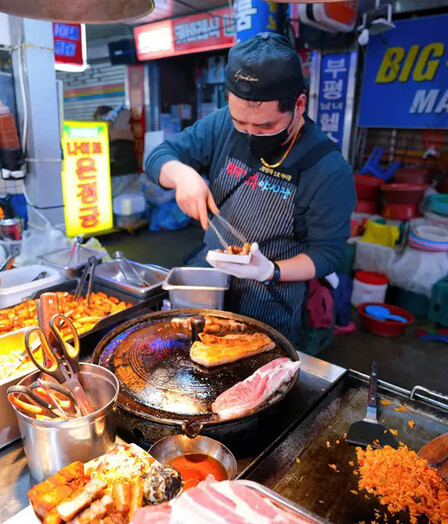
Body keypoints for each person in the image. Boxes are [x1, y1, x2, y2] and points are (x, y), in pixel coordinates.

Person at [145, 32, 355, 342]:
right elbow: (158, 157)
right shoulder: (220, 125)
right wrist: (181, 175)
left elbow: (328, 252)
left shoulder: (328, 168)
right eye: (240, 123)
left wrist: (270, 270)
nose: (249, 134)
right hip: (210, 280)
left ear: (298, 105)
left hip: (270, 299)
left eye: (265, 126)